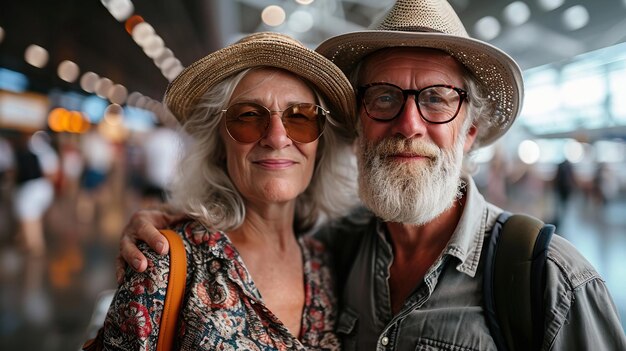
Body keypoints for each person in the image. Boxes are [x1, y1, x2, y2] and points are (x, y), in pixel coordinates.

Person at [117, 0, 626, 350]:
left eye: (437, 100)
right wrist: (170, 227)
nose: (408, 124)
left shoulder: (551, 282)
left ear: (469, 132)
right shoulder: (334, 248)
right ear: (358, 125)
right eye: (384, 98)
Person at [99, 32, 359, 350]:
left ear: (321, 144)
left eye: (301, 117)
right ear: (219, 144)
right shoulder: (162, 263)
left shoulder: (332, 261)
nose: (277, 138)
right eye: (249, 116)